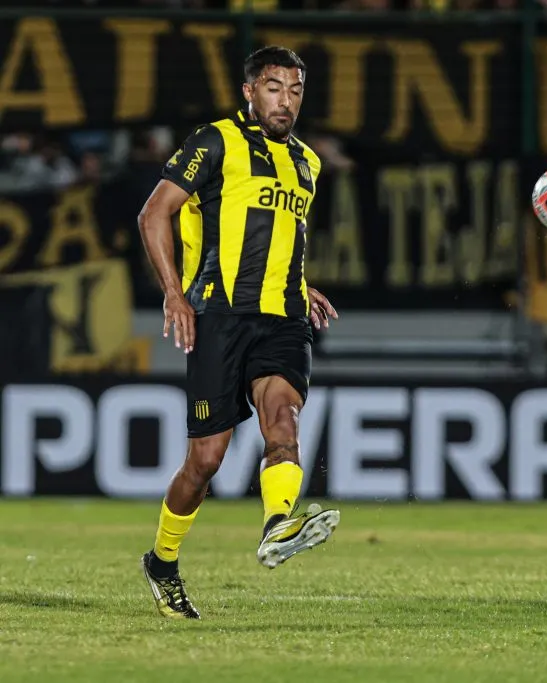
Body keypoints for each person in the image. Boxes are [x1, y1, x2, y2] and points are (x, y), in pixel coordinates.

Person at [136, 46, 342, 620]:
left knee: (285, 420)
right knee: (205, 460)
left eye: (296, 90)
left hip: (283, 317)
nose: (287, 100)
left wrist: (303, 282)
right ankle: (162, 560)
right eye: (274, 87)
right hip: (220, 315)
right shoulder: (214, 141)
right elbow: (154, 214)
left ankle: (279, 523)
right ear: (249, 90)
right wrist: (175, 293)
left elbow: (276, 233)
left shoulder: (307, 162)